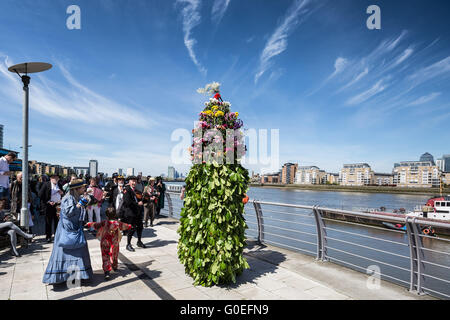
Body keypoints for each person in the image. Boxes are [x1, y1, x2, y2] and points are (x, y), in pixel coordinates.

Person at [42, 179, 94, 285]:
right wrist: (79, 205)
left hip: (75, 228)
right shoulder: (68, 198)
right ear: (77, 188)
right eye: (83, 187)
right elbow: (69, 213)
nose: (84, 189)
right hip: (67, 229)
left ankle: (77, 276)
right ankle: (62, 276)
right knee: (65, 251)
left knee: (78, 251)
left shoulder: (75, 197)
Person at [86, 207, 131, 280]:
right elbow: (125, 226)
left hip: (105, 241)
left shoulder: (104, 222)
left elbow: (96, 225)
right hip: (114, 241)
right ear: (115, 214)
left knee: (105, 255)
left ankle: (107, 271)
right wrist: (130, 226)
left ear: (106, 215)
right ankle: (114, 265)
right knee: (114, 253)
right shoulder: (117, 223)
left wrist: (89, 224)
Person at [119, 176, 146, 252]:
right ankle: (128, 244)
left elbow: (140, 199)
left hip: (137, 212)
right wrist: (137, 203)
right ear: (129, 182)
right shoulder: (126, 190)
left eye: (135, 181)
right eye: (132, 181)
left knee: (140, 227)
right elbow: (128, 202)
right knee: (131, 228)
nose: (134, 183)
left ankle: (139, 241)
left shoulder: (137, 191)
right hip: (130, 212)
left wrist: (146, 198)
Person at [39, 174, 63, 243]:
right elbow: (40, 195)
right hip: (48, 205)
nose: (56, 179)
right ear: (51, 179)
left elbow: (63, 194)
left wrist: (61, 193)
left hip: (57, 205)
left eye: (57, 178)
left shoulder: (60, 185)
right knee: (48, 222)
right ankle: (48, 236)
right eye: (54, 178)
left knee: (57, 221)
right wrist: (48, 201)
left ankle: (57, 236)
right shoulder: (46, 184)